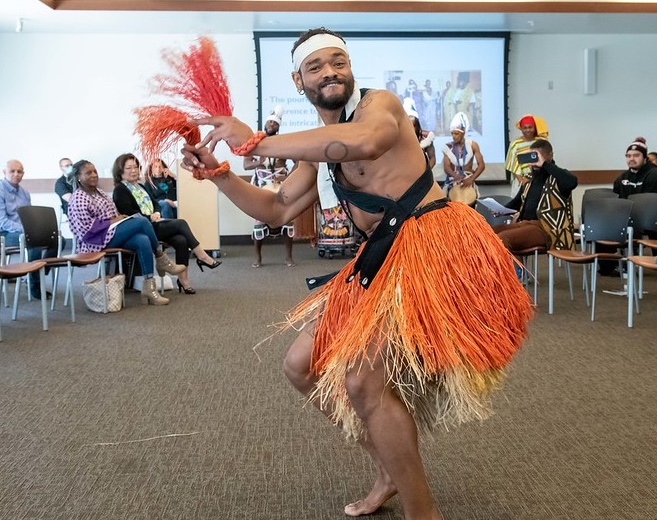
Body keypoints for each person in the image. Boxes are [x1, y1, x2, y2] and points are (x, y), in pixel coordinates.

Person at [181, 28, 533, 520]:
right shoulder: (319, 146)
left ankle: (422, 513)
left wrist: (259, 140)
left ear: (350, 68)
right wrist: (220, 173)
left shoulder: (378, 107)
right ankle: (388, 471)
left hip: (430, 244)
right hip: (380, 258)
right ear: (297, 79)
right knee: (300, 365)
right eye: (316, 66)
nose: (330, 72)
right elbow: (278, 208)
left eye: (337, 62)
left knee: (363, 382)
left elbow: (364, 143)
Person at [67, 160, 185, 305]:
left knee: (142, 239)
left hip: (111, 232)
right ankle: (161, 258)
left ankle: (149, 288)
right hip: (95, 241)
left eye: (95, 171)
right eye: (88, 173)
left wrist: (117, 220)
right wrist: (113, 221)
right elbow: (85, 230)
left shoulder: (99, 192)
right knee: (141, 221)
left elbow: (113, 213)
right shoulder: (78, 197)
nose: (94, 175)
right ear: (79, 177)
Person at [111, 153, 221, 294]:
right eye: (128, 168)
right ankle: (202, 256)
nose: (133, 171)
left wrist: (156, 213)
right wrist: (150, 217)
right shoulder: (120, 190)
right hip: (142, 229)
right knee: (181, 223)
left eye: (136, 167)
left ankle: (183, 280)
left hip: (154, 222)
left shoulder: (140, 186)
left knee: (181, 240)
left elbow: (155, 204)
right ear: (120, 171)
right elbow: (131, 214)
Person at [599, 137, 657, 276]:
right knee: (602, 225)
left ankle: (631, 261)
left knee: (629, 224)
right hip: (628, 217)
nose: (632, 159)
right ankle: (610, 266)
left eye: (636, 155)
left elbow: (651, 205)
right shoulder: (623, 178)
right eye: (628, 156)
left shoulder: (654, 176)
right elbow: (616, 199)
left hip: (650, 218)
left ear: (645, 158)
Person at [493, 139, 577, 251]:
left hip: (546, 229)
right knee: (488, 232)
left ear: (550, 156)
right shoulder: (529, 179)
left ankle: (508, 269)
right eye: (531, 156)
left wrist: (545, 164)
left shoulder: (558, 178)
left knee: (503, 238)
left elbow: (572, 182)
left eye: (537, 156)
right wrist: (502, 210)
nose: (534, 160)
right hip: (524, 224)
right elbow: (517, 202)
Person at [243, 105, 296, 268]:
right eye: (270, 123)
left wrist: (288, 176)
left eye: (275, 124)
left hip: (280, 185)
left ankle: (288, 257)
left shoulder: (283, 143)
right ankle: (258, 258)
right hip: (262, 185)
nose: (271, 126)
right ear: (265, 123)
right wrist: (259, 162)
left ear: (279, 126)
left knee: (288, 219)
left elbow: (298, 162)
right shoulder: (255, 143)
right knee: (259, 221)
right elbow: (246, 165)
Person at [0, 159, 56, 299]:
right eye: (12, 171)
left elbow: (29, 217)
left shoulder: (25, 193)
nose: (16, 174)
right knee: (33, 242)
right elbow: (2, 221)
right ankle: (34, 285)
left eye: (19, 171)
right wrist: (26, 230)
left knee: (54, 239)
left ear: (23, 174)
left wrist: (34, 227)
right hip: (5, 233)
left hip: (24, 232)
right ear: (4, 172)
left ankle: (37, 271)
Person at [441, 111, 485, 200]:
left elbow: (481, 165)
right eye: (452, 133)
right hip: (453, 181)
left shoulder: (473, 145)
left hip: (468, 179)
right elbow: (447, 167)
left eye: (456, 134)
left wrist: (471, 179)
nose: (453, 136)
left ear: (463, 132)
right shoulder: (448, 147)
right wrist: (455, 176)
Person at [505, 114, 549, 196]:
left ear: (534, 128)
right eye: (525, 128)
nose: (528, 130)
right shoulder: (515, 144)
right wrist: (522, 181)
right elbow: (512, 164)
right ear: (521, 129)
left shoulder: (541, 141)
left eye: (530, 127)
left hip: (540, 180)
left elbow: (547, 160)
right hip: (521, 181)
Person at [403, 98, 436, 169]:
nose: (411, 128)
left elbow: (432, 158)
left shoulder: (426, 138)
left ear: (417, 125)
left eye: (413, 125)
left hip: (423, 173)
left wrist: (425, 174)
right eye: (408, 125)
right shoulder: (399, 138)